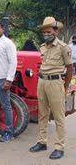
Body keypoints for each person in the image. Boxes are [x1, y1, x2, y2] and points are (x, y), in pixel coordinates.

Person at [29, 17, 73, 160]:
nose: (46, 34)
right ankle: (42, 142)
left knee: (59, 116)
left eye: (48, 32)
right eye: (44, 32)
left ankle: (59, 147)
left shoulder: (63, 47)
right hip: (42, 81)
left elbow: (70, 68)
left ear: (56, 31)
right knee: (42, 114)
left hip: (55, 83)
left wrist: (65, 87)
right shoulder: (42, 46)